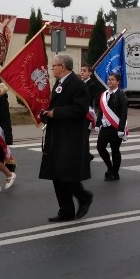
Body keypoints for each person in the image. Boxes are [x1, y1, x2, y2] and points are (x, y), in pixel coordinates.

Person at [38, 53, 92, 222]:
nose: (51, 68)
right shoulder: (59, 83)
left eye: (53, 66)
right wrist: (46, 113)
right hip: (56, 134)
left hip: (70, 136)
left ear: (62, 67)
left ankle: (84, 197)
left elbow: (80, 109)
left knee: (65, 173)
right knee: (56, 173)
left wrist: (57, 113)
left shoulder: (77, 84)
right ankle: (66, 210)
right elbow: (57, 106)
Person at [95, 72, 128, 181]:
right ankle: (110, 167)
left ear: (118, 82)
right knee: (100, 147)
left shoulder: (121, 95)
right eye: (109, 79)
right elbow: (102, 110)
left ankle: (115, 173)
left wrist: (121, 128)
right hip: (105, 126)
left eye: (113, 80)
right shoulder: (105, 94)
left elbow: (124, 113)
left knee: (115, 150)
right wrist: (98, 122)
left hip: (115, 127)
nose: (110, 81)